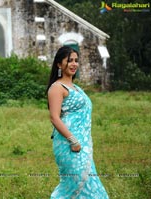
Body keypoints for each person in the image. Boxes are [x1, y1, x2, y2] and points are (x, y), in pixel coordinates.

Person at [46, 46, 109, 198]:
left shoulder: (76, 88)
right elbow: (54, 117)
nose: (74, 64)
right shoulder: (57, 88)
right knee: (73, 186)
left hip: (82, 147)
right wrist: (73, 141)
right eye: (69, 61)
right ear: (59, 65)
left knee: (91, 187)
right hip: (69, 146)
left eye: (76, 60)